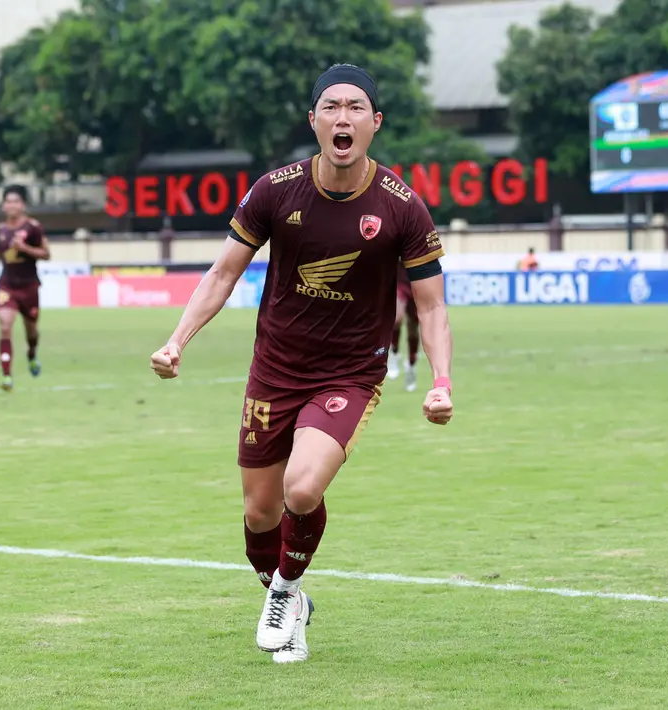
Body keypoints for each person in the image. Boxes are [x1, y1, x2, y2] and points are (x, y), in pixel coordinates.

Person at [149, 64, 454, 664]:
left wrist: (441, 382)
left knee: (302, 485)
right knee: (259, 514)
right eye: (331, 107)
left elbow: (432, 303)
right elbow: (223, 273)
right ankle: (288, 596)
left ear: (375, 123)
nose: (344, 117)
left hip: (349, 375)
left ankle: (285, 592)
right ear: (313, 119)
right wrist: (177, 339)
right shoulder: (275, 190)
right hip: (274, 371)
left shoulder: (402, 206)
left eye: (356, 108)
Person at [0, 186, 50, 391]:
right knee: (5, 325)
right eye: (8, 202)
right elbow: (4, 254)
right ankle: (6, 375)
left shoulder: (33, 227)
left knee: (31, 331)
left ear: (23, 205)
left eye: (15, 201)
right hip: (7, 285)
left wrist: (25, 249)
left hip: (29, 287)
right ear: (3, 206)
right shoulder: (1, 229)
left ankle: (32, 355)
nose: (11, 205)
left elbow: (46, 254)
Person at [385, 264, 421, 392]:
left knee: (413, 327)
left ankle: (411, 365)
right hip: (400, 280)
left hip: (418, 281)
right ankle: (394, 353)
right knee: (396, 318)